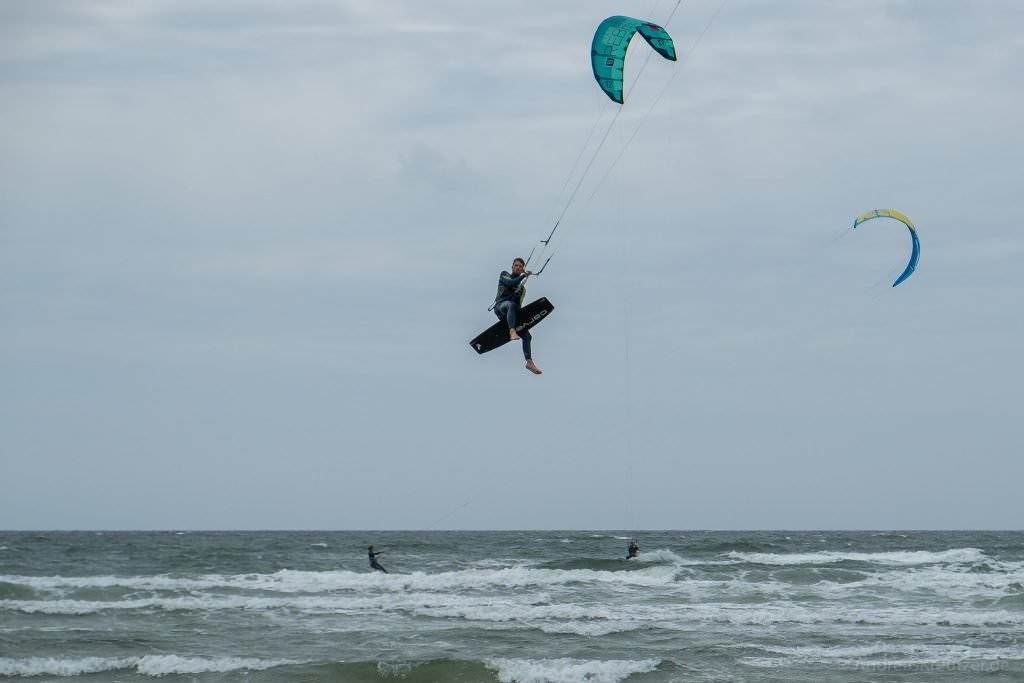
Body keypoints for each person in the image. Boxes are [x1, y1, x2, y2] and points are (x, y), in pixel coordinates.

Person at [493, 257, 542, 375]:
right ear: (512, 267)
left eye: (520, 266)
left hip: (512, 312)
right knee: (510, 305)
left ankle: (529, 362)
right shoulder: (504, 275)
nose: (518, 267)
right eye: (516, 265)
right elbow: (511, 283)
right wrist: (523, 276)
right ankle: (511, 331)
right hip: (500, 307)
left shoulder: (522, 289)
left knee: (527, 336)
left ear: (522, 269)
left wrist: (523, 323)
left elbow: (519, 306)